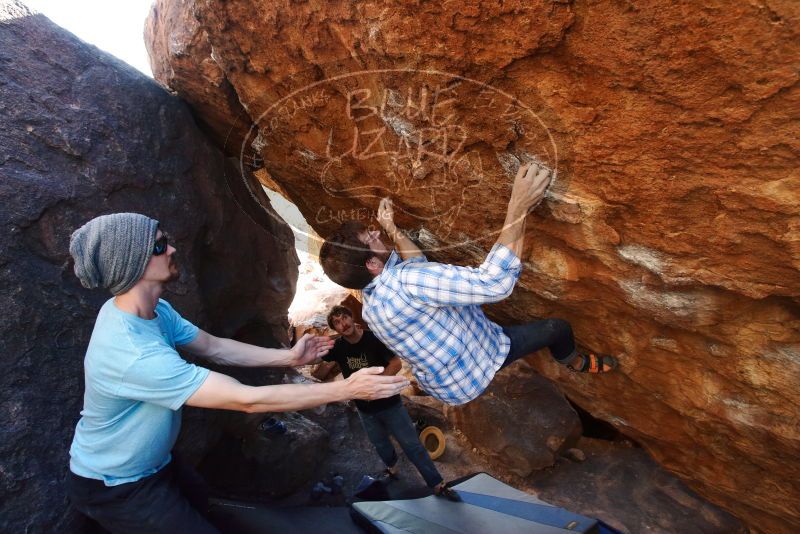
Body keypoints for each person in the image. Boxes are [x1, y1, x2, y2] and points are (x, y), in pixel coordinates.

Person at [65, 213, 409, 533]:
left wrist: (287, 357)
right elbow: (247, 400)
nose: (171, 248)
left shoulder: (152, 311)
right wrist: (346, 389)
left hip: (155, 465)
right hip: (117, 485)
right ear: (132, 265)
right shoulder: (133, 353)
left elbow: (214, 347)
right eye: (158, 246)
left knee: (212, 509)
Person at [319, 162, 617, 406]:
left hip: (446, 387)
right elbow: (494, 284)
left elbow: (416, 267)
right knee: (558, 328)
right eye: (369, 238)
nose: (374, 233)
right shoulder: (408, 282)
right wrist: (519, 204)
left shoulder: (372, 304)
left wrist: (392, 229)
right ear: (372, 265)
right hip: (480, 362)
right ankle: (572, 360)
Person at [322, 305, 459, 501]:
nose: (343, 324)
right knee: (380, 443)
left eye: (345, 317)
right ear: (335, 329)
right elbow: (313, 358)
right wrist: (307, 347)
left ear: (352, 318)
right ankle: (392, 469)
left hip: (390, 405)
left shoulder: (373, 338)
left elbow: (396, 363)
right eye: (337, 322)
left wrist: (377, 385)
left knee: (412, 444)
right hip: (364, 409)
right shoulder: (339, 347)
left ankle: (437, 483)